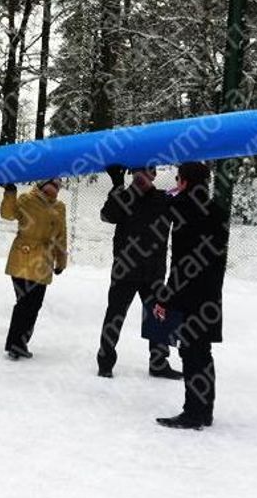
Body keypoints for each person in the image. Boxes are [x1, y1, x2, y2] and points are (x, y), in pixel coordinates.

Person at [154, 162, 227, 430]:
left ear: (183, 181)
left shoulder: (183, 209)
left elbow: (180, 262)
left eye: (177, 178)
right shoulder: (215, 210)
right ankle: (204, 410)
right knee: (202, 353)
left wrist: (165, 298)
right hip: (210, 294)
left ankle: (193, 413)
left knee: (192, 353)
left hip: (189, 294)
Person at [95, 165, 181, 379]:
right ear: (133, 173)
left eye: (148, 171)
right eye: (139, 171)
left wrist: (186, 178)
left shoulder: (164, 199)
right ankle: (105, 362)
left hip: (153, 271)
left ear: (153, 175)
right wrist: (116, 185)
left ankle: (159, 362)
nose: (143, 175)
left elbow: (188, 209)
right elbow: (107, 215)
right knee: (115, 314)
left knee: (160, 314)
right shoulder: (124, 197)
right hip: (125, 269)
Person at [0, 179, 67, 359]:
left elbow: (61, 236)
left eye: (58, 185)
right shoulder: (26, 200)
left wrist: (61, 261)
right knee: (24, 303)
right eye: (51, 183)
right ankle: (16, 344)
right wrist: (10, 192)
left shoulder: (60, 207)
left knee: (34, 304)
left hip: (44, 263)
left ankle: (20, 342)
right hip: (23, 257)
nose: (55, 187)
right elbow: (7, 214)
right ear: (42, 184)